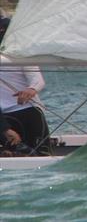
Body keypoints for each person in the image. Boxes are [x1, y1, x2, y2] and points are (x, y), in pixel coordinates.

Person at [0, 16, 52, 155]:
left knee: (41, 154)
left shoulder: (20, 54)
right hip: (3, 117)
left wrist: (31, 89)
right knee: (12, 154)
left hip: (27, 111)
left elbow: (38, 80)